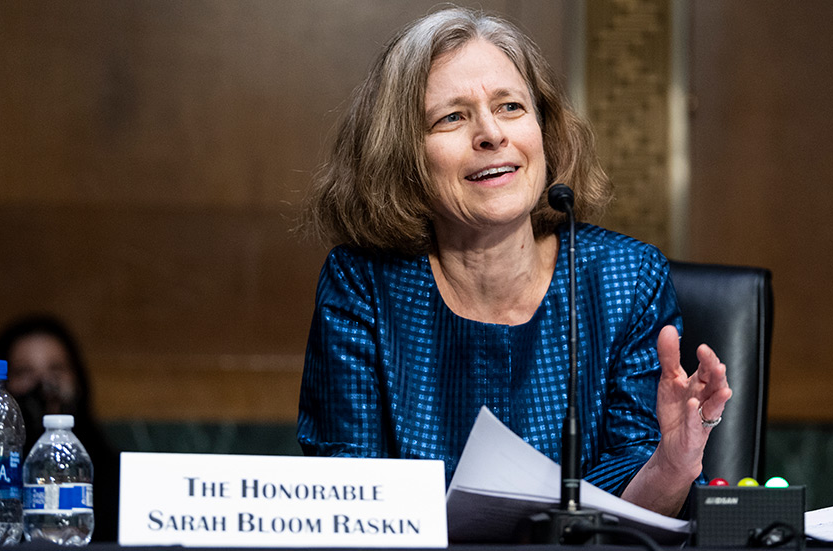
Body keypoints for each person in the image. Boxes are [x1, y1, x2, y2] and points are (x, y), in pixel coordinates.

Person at [296, 7, 731, 518]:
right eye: (452, 117)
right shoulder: (363, 283)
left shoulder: (624, 279)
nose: (491, 134)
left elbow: (624, 520)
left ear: (543, 130)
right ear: (402, 153)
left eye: (509, 107)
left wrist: (672, 465)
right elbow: (349, 492)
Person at [0, 314, 120, 542]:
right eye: (25, 373)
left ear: (78, 380)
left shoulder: (116, 481)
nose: (43, 385)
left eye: (56, 370)